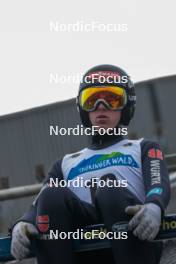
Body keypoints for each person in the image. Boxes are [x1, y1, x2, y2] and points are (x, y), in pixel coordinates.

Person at [10, 64, 171, 264]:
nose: (101, 107)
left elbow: (157, 183)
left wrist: (154, 207)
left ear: (127, 105)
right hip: (83, 250)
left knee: (109, 187)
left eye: (112, 99)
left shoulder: (143, 147)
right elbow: (39, 202)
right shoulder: (65, 163)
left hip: (132, 239)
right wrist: (23, 222)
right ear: (82, 109)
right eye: (92, 100)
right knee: (52, 195)